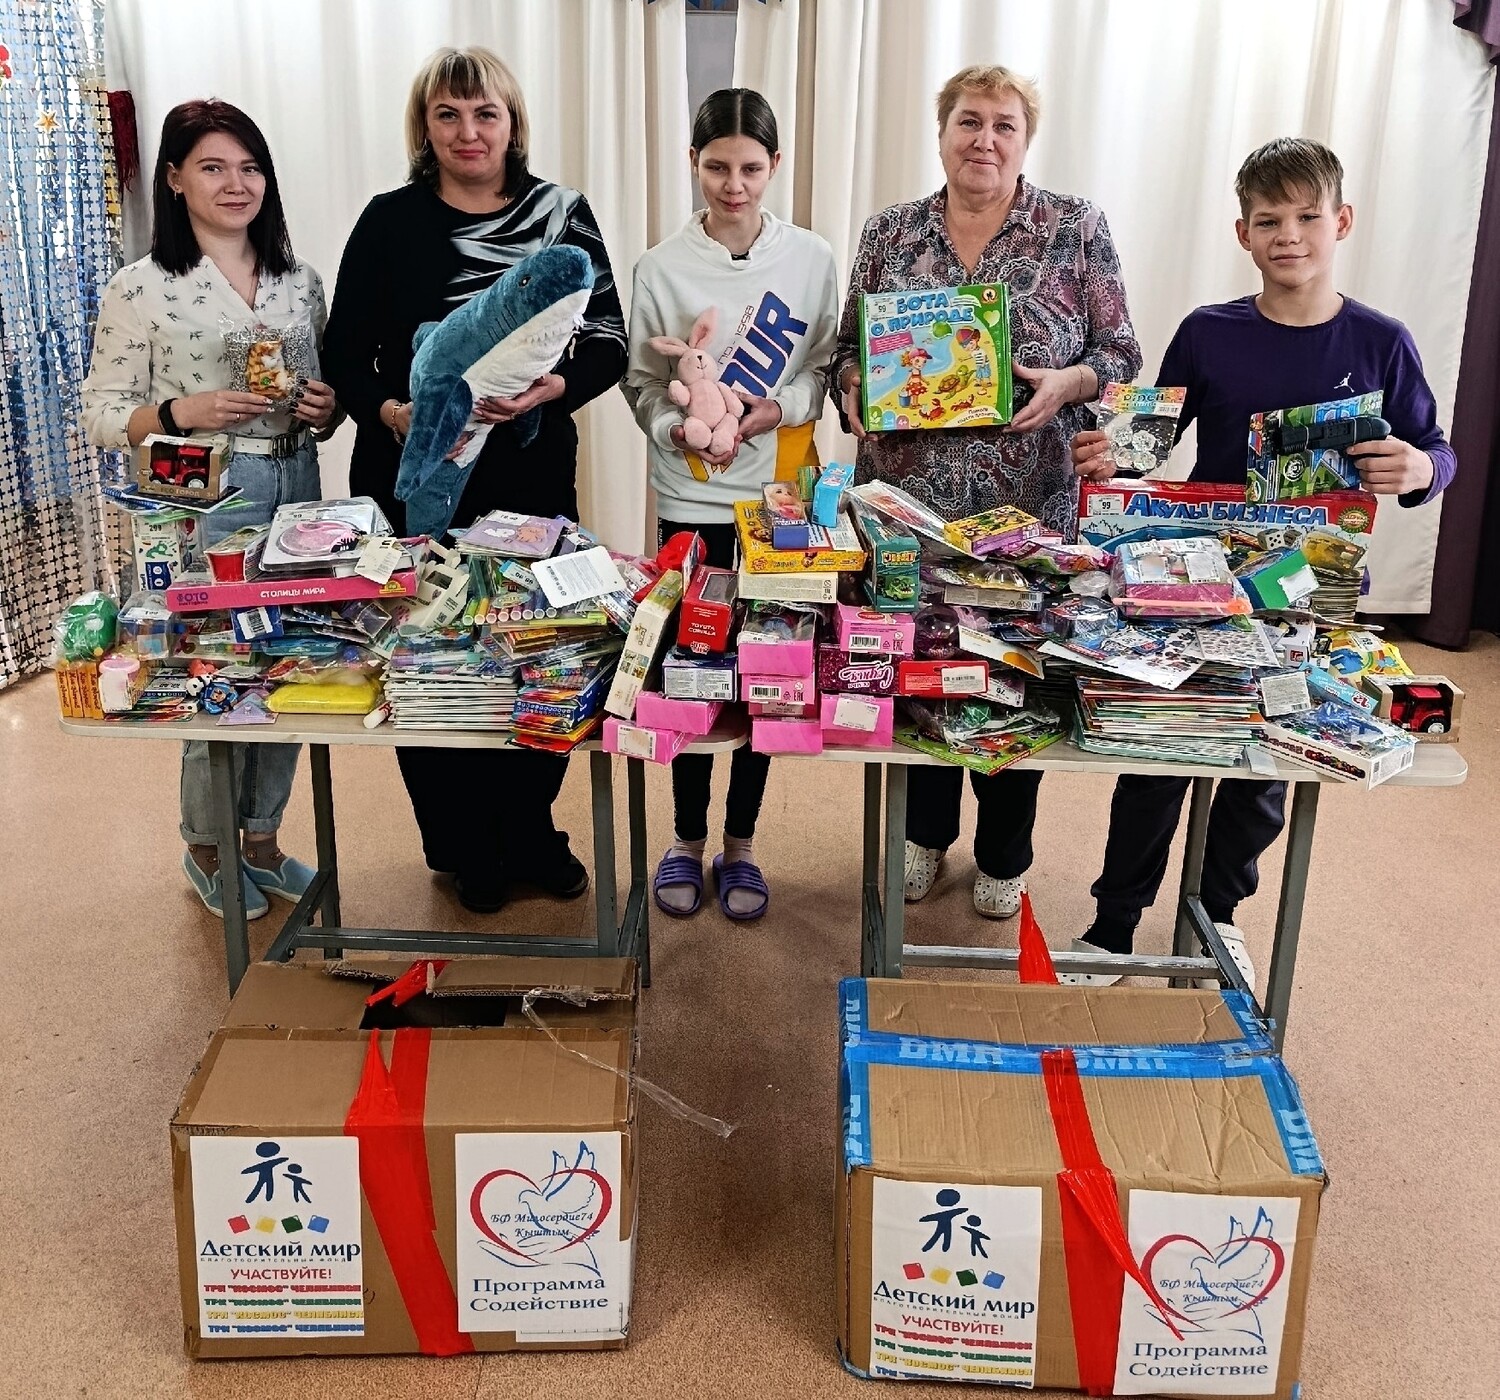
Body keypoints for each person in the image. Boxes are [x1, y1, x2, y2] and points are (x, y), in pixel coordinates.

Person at [1068, 137, 1456, 986]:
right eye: (1269, 220)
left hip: (1309, 596)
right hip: (1194, 587)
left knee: (1265, 760)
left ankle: (1218, 915)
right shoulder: (1208, 331)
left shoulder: (1382, 340)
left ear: (1341, 222)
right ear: (1242, 233)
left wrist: (1422, 469)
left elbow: (1436, 449)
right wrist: (1112, 454)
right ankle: (1112, 925)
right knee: (1161, 749)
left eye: (1308, 217)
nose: (1290, 236)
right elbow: (1146, 441)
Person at [831, 65, 1141, 922]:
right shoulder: (890, 232)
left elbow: (1120, 353)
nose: (986, 139)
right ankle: (925, 834)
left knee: (1015, 675)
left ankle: (1006, 852)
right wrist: (853, 386)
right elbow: (846, 351)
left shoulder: (1076, 227)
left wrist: (1072, 382)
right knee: (920, 665)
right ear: (942, 133)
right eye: (969, 121)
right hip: (907, 509)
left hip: (1028, 510)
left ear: (1026, 140)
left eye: (1005, 124)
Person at [321, 46, 626, 914]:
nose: (468, 131)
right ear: (425, 126)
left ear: (512, 122)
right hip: (416, 475)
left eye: (485, 112)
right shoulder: (388, 221)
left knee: (542, 649)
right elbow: (344, 353)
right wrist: (394, 412)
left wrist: (548, 389)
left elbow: (608, 341)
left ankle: (530, 830)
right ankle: (462, 846)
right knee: (431, 658)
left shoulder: (562, 213)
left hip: (530, 474)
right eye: (447, 114)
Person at [82, 99, 338, 921]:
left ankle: (261, 840)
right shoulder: (140, 287)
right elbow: (98, 415)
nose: (236, 184)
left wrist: (325, 407)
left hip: (298, 487)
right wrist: (178, 412)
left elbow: (321, 396)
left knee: (293, 662)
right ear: (174, 178)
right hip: (202, 497)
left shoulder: (300, 281)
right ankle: (207, 847)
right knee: (217, 671)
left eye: (250, 167)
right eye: (214, 167)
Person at [623, 87, 838, 921]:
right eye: (717, 167)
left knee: (766, 673)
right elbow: (642, 382)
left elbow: (824, 370)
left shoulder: (812, 259)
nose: (734, 185)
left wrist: (775, 409)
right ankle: (684, 839)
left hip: (781, 496)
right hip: (692, 496)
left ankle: (741, 843)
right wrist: (678, 427)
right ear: (693, 163)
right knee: (690, 666)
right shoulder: (660, 267)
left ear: (775, 165)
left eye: (751, 168)